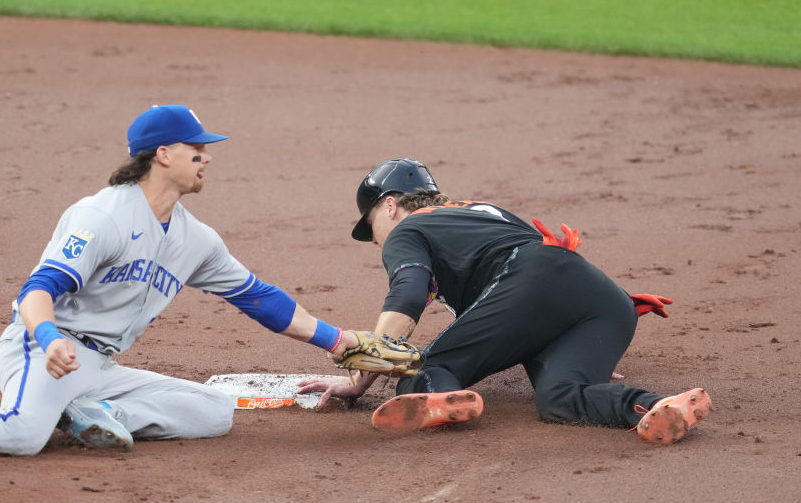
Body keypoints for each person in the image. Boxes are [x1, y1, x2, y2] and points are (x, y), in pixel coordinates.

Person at [0, 105, 362, 455]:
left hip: (98, 368)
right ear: (162, 154)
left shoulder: (195, 239)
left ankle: (93, 413)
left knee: (214, 412)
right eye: (197, 148)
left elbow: (258, 298)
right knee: (20, 435)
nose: (206, 157)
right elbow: (37, 292)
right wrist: (49, 339)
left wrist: (339, 341)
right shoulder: (101, 216)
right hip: (44, 349)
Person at [298, 158, 711, 444]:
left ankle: (439, 393)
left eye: (371, 225)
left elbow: (408, 293)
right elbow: (533, 292)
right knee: (561, 398)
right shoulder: (480, 213)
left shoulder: (408, 230)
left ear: (390, 206)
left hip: (530, 285)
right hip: (604, 302)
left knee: (423, 368)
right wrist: (588, 345)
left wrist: (362, 373)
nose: (374, 241)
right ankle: (657, 407)